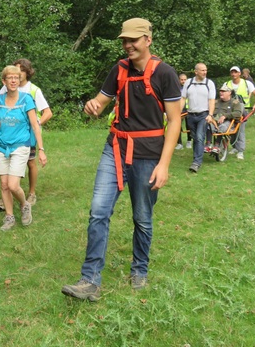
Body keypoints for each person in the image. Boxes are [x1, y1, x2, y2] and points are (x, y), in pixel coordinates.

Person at [61, 18, 181, 301]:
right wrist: (92, 107)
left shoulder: (165, 74)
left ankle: (140, 269)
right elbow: (100, 104)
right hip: (114, 148)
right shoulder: (119, 69)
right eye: (124, 41)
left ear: (147, 40)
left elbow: (174, 122)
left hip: (148, 155)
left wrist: (164, 165)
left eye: (133, 40)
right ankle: (90, 280)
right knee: (98, 211)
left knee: (142, 217)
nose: (127, 45)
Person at [0, 65, 47, 231]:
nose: (13, 80)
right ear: (4, 81)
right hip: (2, 147)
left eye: (16, 78)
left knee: (13, 185)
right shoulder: (1, 101)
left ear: (20, 80)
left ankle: (25, 205)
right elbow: (0, 124)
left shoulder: (26, 99)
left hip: (20, 146)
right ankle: (9, 217)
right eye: (9, 78)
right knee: (4, 185)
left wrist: (41, 149)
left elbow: (34, 125)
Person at [0, 58, 52, 211]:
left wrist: (34, 124)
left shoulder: (33, 90)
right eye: (14, 72)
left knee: (30, 162)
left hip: (28, 135)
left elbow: (48, 113)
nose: (17, 74)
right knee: (8, 173)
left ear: (26, 73)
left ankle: (31, 193)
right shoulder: (6, 89)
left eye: (21, 71)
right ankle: (7, 198)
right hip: (8, 135)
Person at [180, 63, 216, 173]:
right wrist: (177, 113)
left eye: (206, 70)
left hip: (203, 115)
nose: (205, 72)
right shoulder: (188, 83)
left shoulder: (209, 83)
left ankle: (196, 162)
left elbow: (211, 100)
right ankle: (197, 157)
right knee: (195, 138)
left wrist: (210, 114)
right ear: (196, 72)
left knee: (200, 137)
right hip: (191, 115)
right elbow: (183, 98)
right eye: (202, 70)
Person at [222, 66, 255, 160]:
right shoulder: (227, 84)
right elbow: (222, 95)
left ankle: (240, 151)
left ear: (239, 74)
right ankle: (234, 147)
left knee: (240, 130)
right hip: (229, 110)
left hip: (243, 111)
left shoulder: (247, 83)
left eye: (235, 72)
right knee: (231, 130)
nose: (233, 74)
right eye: (232, 72)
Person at [208, 85, 244, 151]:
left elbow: (238, 113)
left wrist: (225, 116)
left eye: (223, 91)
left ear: (229, 93)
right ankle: (208, 144)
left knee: (222, 127)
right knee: (207, 126)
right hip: (214, 121)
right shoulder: (215, 102)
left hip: (228, 122)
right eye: (220, 91)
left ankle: (217, 144)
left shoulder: (235, 102)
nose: (221, 93)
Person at [176, 73, 192, 150]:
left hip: (189, 110)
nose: (183, 81)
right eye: (181, 79)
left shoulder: (190, 87)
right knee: (177, 126)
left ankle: (189, 141)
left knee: (189, 126)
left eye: (185, 79)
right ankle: (179, 143)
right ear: (179, 80)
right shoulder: (176, 88)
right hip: (180, 110)